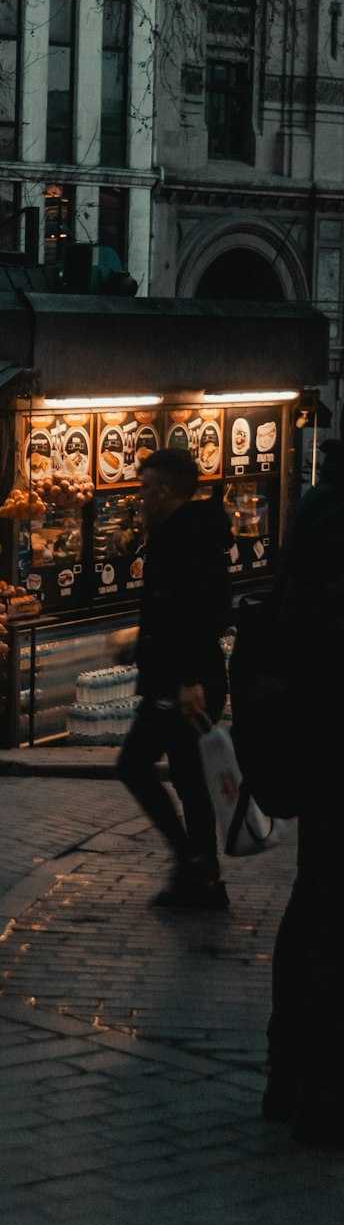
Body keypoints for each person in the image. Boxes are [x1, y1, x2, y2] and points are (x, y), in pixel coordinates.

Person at [263, 429, 344, 1146]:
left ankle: (292, 1077)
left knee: (318, 900)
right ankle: (318, 1089)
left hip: (318, 739)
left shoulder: (319, 505)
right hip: (332, 735)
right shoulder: (333, 516)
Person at [117, 447, 232, 909]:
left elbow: (202, 611)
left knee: (133, 765)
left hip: (183, 683)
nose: (139, 496)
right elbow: (174, 610)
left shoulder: (188, 538)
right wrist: (140, 645)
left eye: (144, 488)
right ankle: (203, 879)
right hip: (178, 676)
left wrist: (188, 679)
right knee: (188, 779)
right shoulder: (178, 532)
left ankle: (193, 866)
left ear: (164, 492)